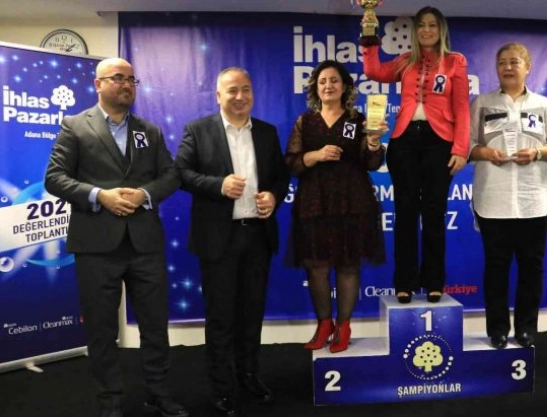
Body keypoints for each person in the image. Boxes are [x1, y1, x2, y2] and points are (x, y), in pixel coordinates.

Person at [44, 58, 187, 417]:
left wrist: (144, 194)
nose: (126, 85)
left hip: (145, 244)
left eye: (131, 79)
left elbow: (171, 175)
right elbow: (55, 178)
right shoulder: (75, 126)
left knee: (155, 326)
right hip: (96, 245)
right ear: (98, 84)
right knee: (101, 329)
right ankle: (110, 401)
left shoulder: (149, 131)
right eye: (118, 78)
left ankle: (159, 393)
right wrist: (99, 196)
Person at [174, 67, 289, 416]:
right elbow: (180, 173)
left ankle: (249, 375)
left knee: (252, 314)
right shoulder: (198, 130)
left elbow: (280, 177)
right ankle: (223, 388)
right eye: (232, 90)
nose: (240, 96)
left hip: (258, 236)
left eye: (246, 89)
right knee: (221, 317)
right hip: (218, 239)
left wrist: (274, 196)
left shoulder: (267, 132)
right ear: (218, 96)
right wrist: (218, 185)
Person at [360, 6, 470, 304]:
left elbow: (462, 107)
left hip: (440, 142)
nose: (426, 30)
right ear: (415, 30)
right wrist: (369, 37)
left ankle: (434, 281)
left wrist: (461, 149)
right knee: (405, 212)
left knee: (434, 213)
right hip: (404, 141)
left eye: (432, 25)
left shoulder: (455, 61)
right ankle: (404, 282)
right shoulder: (406, 60)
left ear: (441, 29)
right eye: (421, 25)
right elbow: (373, 71)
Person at [468, 43, 547, 349]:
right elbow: (465, 145)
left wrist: (538, 152)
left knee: (531, 269)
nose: (508, 67)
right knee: (495, 269)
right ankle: (497, 330)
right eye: (502, 62)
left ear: (528, 67)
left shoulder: (544, 105)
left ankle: (526, 329)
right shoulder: (482, 103)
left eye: (514, 62)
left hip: (533, 202)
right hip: (493, 201)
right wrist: (484, 152)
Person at [285, 60, 386, 353]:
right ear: (315, 88)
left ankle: (344, 326)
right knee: (316, 267)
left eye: (334, 80)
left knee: (348, 265)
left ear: (345, 87)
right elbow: (291, 163)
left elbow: (372, 163)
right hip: (314, 203)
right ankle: (324, 325)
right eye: (322, 81)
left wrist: (374, 143)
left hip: (352, 202)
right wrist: (315, 155)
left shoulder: (358, 120)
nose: (328, 86)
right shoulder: (305, 122)